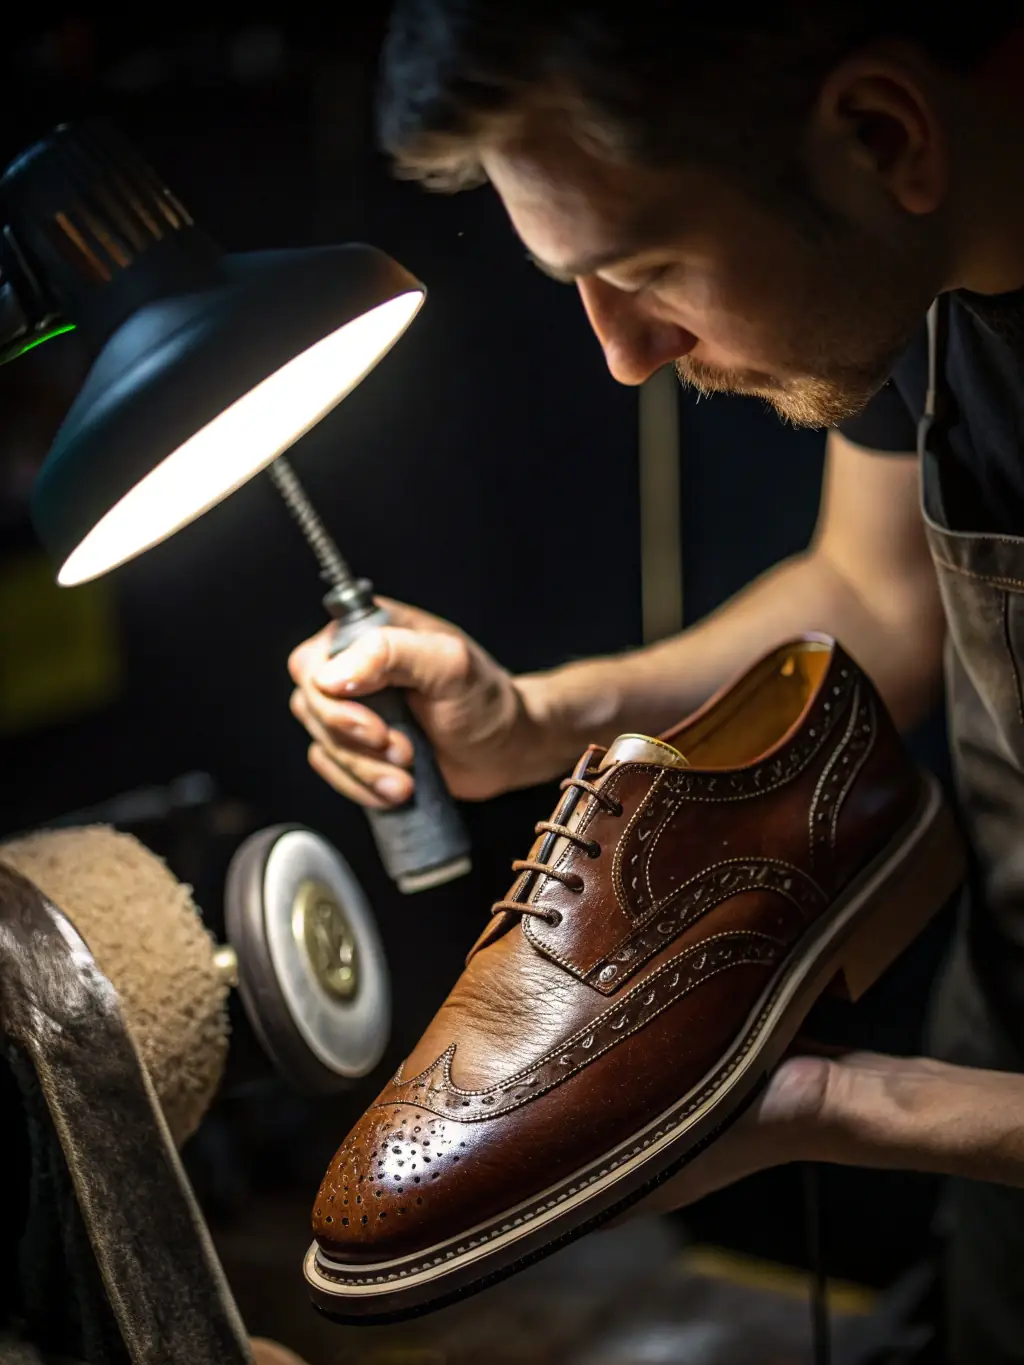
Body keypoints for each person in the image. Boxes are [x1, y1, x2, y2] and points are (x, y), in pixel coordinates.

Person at [289, 4, 1024, 1359]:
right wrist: (536, 718)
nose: (624, 352)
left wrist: (878, 1112)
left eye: (648, 266)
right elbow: (874, 601)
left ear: (883, 136)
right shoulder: (921, 270)